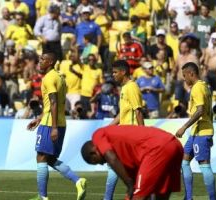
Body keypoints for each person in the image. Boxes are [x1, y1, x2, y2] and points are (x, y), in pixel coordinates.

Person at [27, 53, 86, 200]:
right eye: (39, 59)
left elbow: (53, 103)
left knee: (41, 157)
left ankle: (42, 197)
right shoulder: (59, 76)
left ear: (51, 62)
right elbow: (53, 104)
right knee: (50, 159)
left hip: (50, 124)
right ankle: (78, 181)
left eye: (43, 59)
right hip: (58, 122)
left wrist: (52, 127)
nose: (39, 62)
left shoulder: (49, 77)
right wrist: (39, 118)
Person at [81, 125, 183, 200]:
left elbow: (111, 158)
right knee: (161, 196)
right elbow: (136, 189)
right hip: (175, 145)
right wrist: (130, 189)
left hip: (156, 147)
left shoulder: (97, 135)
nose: (102, 164)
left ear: (93, 152)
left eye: (96, 162)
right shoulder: (126, 160)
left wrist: (129, 184)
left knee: (139, 197)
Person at [175, 62, 216, 200]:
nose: (184, 79)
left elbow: (200, 111)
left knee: (204, 165)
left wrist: (184, 127)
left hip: (201, 132)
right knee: (184, 161)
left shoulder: (197, 88)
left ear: (191, 74)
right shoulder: (204, 86)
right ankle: (188, 197)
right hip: (196, 132)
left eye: (184, 76)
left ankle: (213, 198)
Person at [105, 60, 144, 200]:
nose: (113, 75)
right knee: (116, 166)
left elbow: (138, 112)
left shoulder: (132, 87)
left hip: (131, 135)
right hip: (124, 134)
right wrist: (108, 128)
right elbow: (122, 115)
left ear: (123, 72)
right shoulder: (124, 88)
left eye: (115, 72)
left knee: (116, 166)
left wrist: (143, 134)